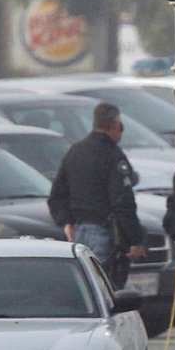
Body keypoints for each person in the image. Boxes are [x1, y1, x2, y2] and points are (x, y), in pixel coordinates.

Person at [49, 101, 147, 284]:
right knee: (109, 289)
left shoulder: (76, 151)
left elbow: (57, 193)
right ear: (116, 125)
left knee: (88, 288)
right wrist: (135, 240)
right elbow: (123, 202)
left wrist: (66, 221)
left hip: (79, 231)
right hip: (104, 232)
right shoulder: (112, 155)